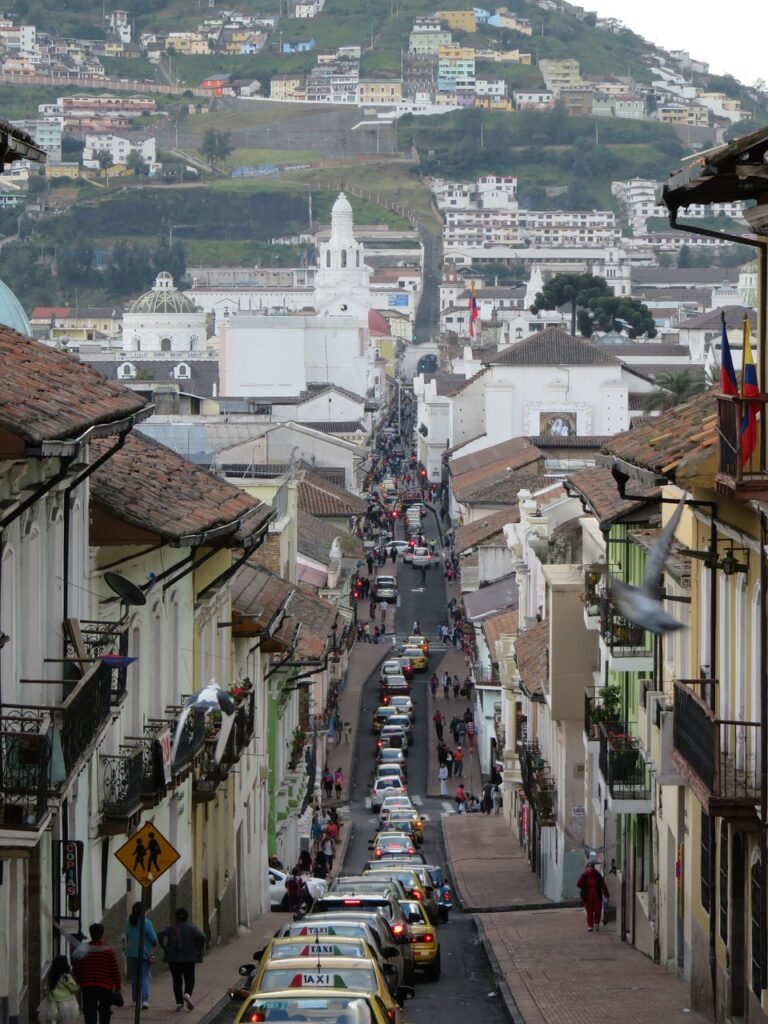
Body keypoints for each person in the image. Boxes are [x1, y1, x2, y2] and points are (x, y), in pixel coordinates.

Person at [72, 923, 122, 1024]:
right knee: (105, 1012)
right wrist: (118, 986)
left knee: (89, 1012)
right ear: (102, 934)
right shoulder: (108, 950)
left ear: (91, 934)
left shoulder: (84, 950)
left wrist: (78, 980)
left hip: (88, 986)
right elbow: (115, 970)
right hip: (105, 987)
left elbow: (78, 968)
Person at [158, 908, 206, 1011]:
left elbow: (160, 934)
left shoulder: (171, 928)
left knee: (176, 980)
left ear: (176, 916)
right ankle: (187, 994)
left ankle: (179, 1003)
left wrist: (165, 947)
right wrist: (197, 948)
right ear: (187, 916)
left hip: (173, 958)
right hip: (189, 958)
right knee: (189, 979)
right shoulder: (192, 928)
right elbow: (202, 936)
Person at [124, 901, 158, 1008]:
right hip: (144, 953)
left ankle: (135, 1000)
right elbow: (153, 938)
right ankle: (145, 1000)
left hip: (131, 954)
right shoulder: (146, 922)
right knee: (144, 977)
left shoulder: (128, 922)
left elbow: (127, 936)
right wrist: (154, 943)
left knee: (135, 977)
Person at [38, 955, 79, 1024]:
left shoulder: (51, 976)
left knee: (53, 1019)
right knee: (64, 1020)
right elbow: (73, 988)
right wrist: (78, 986)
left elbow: (46, 987)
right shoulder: (66, 977)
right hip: (66, 1002)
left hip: (52, 1002)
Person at [576, 861, 610, 932]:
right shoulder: (584, 875)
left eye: (591, 867)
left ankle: (596, 923)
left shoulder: (597, 875)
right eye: (589, 867)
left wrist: (606, 893)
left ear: (593, 868)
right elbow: (578, 883)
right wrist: (583, 875)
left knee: (598, 911)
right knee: (589, 912)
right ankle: (590, 926)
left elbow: (603, 884)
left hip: (597, 896)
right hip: (587, 897)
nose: (590, 868)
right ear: (587, 868)